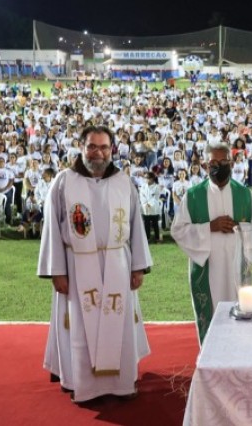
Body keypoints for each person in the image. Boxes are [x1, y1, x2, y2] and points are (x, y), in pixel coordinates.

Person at [37, 125, 152, 404]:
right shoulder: (64, 181)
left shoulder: (123, 181)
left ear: (112, 149)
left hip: (117, 262)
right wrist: (58, 271)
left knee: (118, 320)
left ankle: (122, 383)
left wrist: (138, 266)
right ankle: (83, 384)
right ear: (81, 147)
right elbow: (51, 227)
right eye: (91, 146)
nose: (97, 153)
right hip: (77, 266)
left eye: (103, 147)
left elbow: (137, 225)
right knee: (80, 324)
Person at [171, 142, 252, 344]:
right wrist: (210, 227)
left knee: (241, 320)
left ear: (231, 163)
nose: (218, 166)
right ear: (205, 165)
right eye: (213, 162)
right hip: (209, 269)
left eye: (223, 162)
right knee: (212, 318)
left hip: (238, 268)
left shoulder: (246, 195)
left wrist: (243, 229)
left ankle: (242, 357)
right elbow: (178, 230)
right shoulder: (193, 195)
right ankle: (210, 362)